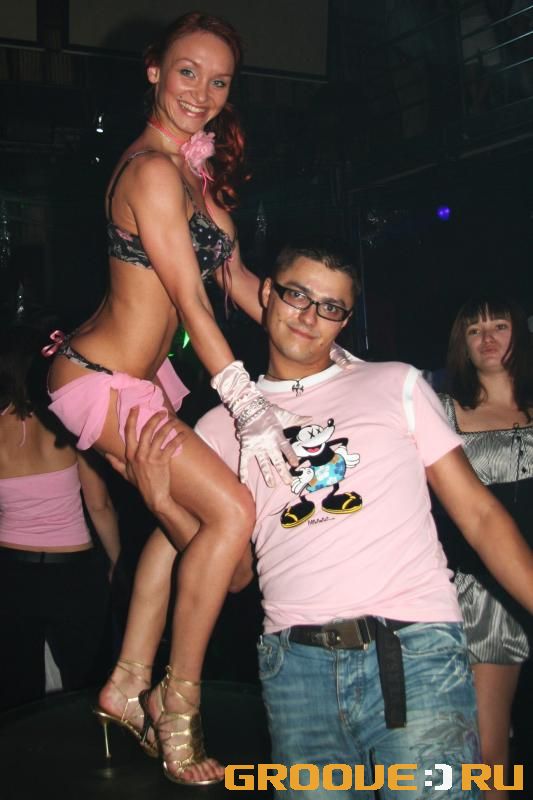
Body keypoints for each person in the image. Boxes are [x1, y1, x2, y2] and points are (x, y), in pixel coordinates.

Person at [118, 239, 533, 799]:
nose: (310, 316)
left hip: (416, 655)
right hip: (295, 671)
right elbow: (234, 575)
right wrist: (164, 504)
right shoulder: (218, 429)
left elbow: (480, 515)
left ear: (344, 321)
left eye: (330, 307)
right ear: (267, 294)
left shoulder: (396, 384)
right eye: (297, 295)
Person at [44, 11, 312, 786]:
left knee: (196, 537)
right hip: (100, 380)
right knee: (231, 514)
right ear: (154, 69)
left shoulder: (189, 169)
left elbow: (238, 282)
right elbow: (194, 307)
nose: (202, 92)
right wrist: (250, 410)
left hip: (139, 383)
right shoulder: (150, 172)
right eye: (187, 72)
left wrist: (319, 340)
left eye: (219, 81)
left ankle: (127, 681)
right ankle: (177, 708)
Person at [436, 296, 533, 800]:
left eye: (499, 326)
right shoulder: (442, 411)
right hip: (483, 596)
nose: (488, 338)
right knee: (487, 751)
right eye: (475, 330)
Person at [0, 324, 120, 711]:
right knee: (85, 682)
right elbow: (99, 505)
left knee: (18, 694)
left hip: (10, 571)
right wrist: (117, 561)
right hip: (73, 572)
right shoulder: (66, 423)